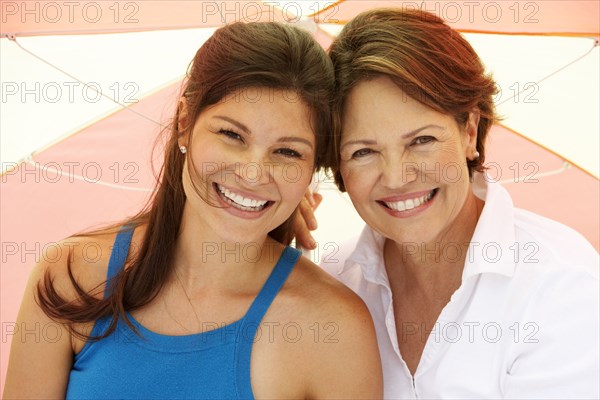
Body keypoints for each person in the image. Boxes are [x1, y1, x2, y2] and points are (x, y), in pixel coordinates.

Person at [3, 22, 382, 399]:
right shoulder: (72, 275)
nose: (252, 174)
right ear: (185, 124)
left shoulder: (334, 329)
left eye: (288, 152)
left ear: (311, 169)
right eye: (232, 135)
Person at [298, 8, 599, 399]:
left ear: (469, 131)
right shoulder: (334, 281)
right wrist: (271, 237)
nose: (396, 177)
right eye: (363, 152)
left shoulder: (561, 285)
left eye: (422, 140)